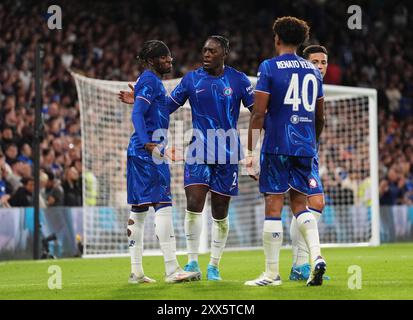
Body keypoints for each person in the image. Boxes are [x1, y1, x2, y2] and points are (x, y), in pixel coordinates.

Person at [120, 36, 254, 281]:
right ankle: (191, 260)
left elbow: (257, 115)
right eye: (204, 50)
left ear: (225, 52)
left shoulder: (239, 80)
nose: (206, 54)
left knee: (220, 211)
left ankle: (214, 264)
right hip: (198, 151)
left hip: (228, 153)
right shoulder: (191, 79)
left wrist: (254, 151)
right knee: (192, 204)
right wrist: (142, 102)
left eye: (212, 51)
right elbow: (168, 106)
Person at [245, 17, 326, 287]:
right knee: (301, 205)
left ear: (277, 38)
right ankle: (316, 257)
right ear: (301, 41)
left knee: (274, 205)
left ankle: (271, 273)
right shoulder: (314, 71)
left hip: (277, 144)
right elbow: (320, 117)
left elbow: (258, 113)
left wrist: (251, 152)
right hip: (304, 146)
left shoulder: (269, 67)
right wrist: (310, 143)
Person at [120, 40, 200, 284]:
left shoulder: (151, 83)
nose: (170, 61)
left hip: (141, 153)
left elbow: (153, 109)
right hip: (147, 153)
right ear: (152, 60)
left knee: (140, 209)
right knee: (163, 205)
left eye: (170, 57)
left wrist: (136, 98)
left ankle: (136, 272)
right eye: (164, 58)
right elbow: (137, 115)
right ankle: (172, 269)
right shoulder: (150, 79)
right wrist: (148, 143)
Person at [289, 44, 330, 281]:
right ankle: (299, 264)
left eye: (323, 62)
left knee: (306, 205)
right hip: (293, 150)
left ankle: (299, 265)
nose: (320, 66)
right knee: (313, 202)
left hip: (308, 151)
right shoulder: (301, 84)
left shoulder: (316, 85)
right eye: (315, 62)